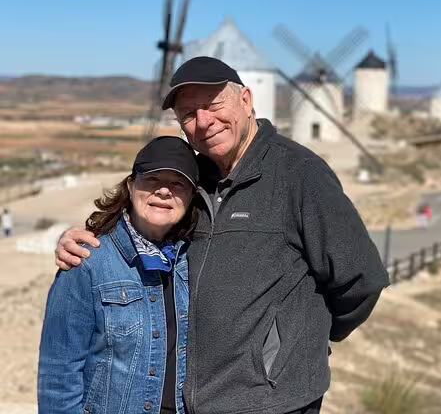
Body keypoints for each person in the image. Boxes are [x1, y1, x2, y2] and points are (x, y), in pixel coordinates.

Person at [55, 56, 390, 414]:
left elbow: (361, 279)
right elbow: (141, 218)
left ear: (246, 100)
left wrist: (298, 342)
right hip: (192, 402)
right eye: (188, 114)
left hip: (273, 402)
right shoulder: (190, 179)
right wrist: (81, 238)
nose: (203, 122)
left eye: (213, 105)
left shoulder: (300, 175)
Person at [39, 136, 200, 413]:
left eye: (177, 183)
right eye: (152, 179)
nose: (164, 191)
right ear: (130, 185)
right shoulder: (88, 261)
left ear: (191, 196)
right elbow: (58, 377)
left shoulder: (195, 257)